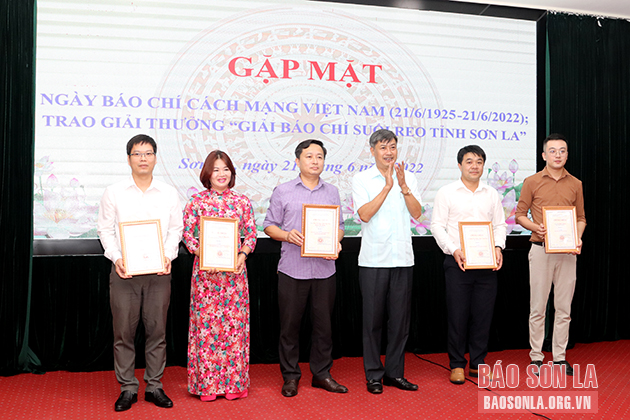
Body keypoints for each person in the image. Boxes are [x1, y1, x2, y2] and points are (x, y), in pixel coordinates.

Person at [97, 134, 183, 412]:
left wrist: (168, 256)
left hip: (159, 272)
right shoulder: (114, 192)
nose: (143, 158)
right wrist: (117, 258)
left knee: (157, 331)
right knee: (123, 332)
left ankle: (154, 386)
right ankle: (127, 388)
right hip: (125, 273)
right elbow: (105, 230)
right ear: (128, 159)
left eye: (148, 153)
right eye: (137, 154)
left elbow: (175, 230)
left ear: (155, 158)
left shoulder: (169, 193)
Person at [263, 139, 347, 397]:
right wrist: (287, 235)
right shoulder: (283, 190)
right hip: (292, 269)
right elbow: (269, 226)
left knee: (324, 327)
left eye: (319, 156)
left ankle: (322, 374)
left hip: (324, 270)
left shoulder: (332, 191)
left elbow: (340, 226)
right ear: (297, 160)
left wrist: (336, 242)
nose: (315, 161)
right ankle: (290, 376)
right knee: (290, 327)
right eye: (309, 156)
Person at [352, 129, 422, 394]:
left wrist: (403, 187)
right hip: (373, 260)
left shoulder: (409, 177)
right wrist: (387, 187)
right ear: (372, 151)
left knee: (400, 322)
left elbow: (417, 214)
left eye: (392, 146)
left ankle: (395, 373)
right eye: (383, 147)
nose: (389, 152)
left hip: (402, 259)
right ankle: (373, 375)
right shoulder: (362, 179)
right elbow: (364, 215)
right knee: (372, 322)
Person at [182, 150, 257, 401]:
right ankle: (208, 386)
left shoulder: (242, 202)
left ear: (231, 173)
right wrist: (202, 254)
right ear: (207, 173)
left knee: (235, 329)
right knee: (207, 330)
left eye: (225, 169)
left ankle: (234, 385)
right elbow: (187, 235)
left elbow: (251, 235)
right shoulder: (196, 201)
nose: (221, 174)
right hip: (206, 277)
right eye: (216, 169)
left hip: (235, 275)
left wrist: (242, 255)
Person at [430, 145, 507, 385]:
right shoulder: (447, 192)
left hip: (486, 265)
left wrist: (498, 247)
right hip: (458, 263)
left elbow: (500, 225)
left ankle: (477, 363)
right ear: (460, 165)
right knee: (458, 315)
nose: (475, 166)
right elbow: (437, 226)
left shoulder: (491, 194)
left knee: (483, 316)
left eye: (479, 162)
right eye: (469, 161)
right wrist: (453, 249)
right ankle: (456, 364)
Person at [516, 133, 586, 376]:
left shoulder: (576, 183)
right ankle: (536, 356)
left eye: (562, 151)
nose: (558, 155)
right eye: (553, 151)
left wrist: (577, 237)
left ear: (567, 155)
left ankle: (559, 357)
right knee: (538, 307)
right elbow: (520, 215)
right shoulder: (532, 181)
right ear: (544, 155)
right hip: (540, 250)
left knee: (564, 309)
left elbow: (581, 218)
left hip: (567, 252)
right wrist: (536, 227)